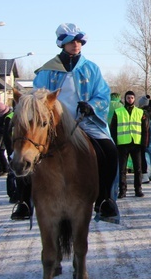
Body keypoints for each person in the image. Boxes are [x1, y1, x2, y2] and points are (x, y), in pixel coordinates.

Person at [33, 23, 120, 223]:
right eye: (72, 42)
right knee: (22, 153)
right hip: (53, 127)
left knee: (110, 151)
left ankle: (104, 199)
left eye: (79, 41)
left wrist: (91, 106)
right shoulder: (46, 71)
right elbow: (37, 96)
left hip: (86, 123)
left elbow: (103, 94)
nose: (77, 45)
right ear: (62, 44)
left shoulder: (91, 69)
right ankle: (23, 201)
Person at [110, 90, 148, 198]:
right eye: (128, 98)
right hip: (122, 144)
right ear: (125, 99)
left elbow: (145, 129)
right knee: (122, 169)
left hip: (136, 144)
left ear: (134, 99)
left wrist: (144, 143)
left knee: (138, 168)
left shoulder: (140, 112)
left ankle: (138, 189)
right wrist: (114, 142)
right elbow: (113, 129)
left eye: (132, 98)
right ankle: (122, 190)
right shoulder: (118, 112)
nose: (130, 99)